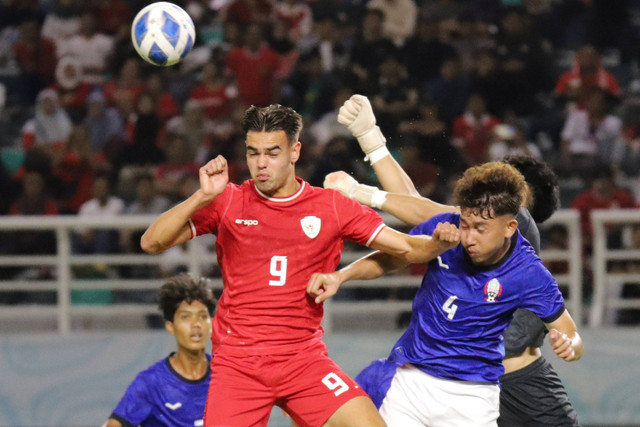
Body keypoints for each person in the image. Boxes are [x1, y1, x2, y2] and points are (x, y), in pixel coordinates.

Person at [140, 103, 459, 426]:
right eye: (253, 153)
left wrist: (437, 244)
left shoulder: (331, 206)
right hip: (239, 364)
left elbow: (405, 247)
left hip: (303, 361)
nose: (261, 164)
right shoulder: (229, 200)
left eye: (272, 153)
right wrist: (202, 196)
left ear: (295, 151)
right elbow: (151, 242)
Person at [316, 95, 584, 426]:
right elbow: (417, 208)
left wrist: (361, 191)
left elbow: (424, 209)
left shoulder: (519, 227)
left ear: (522, 201)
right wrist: (370, 138)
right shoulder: (477, 224)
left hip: (518, 385)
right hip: (444, 382)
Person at [104, 273, 217, 427]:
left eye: (203, 316)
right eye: (185, 317)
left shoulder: (224, 375)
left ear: (211, 323)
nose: (196, 324)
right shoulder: (150, 383)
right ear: (171, 326)